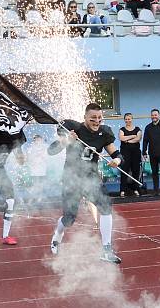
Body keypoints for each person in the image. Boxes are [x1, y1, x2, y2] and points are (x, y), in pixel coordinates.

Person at [49, 103, 123, 264]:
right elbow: (51, 150)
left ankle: (107, 249)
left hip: (91, 178)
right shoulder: (73, 129)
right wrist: (68, 140)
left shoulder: (104, 133)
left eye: (99, 118)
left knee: (105, 207)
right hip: (72, 179)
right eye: (93, 118)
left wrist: (117, 160)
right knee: (69, 219)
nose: (97, 121)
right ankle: (56, 236)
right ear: (84, 118)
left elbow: (116, 153)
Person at [142, 108, 160, 196]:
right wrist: (144, 152)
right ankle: (156, 190)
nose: (154, 116)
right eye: (152, 115)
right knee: (154, 173)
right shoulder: (148, 127)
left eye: (155, 115)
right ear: (151, 116)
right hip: (152, 153)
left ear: (158, 115)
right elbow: (145, 141)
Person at [118, 113, 142, 197]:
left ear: (132, 119)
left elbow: (138, 138)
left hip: (136, 153)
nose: (128, 120)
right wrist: (132, 136)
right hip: (125, 153)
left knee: (136, 171)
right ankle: (122, 190)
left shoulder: (138, 129)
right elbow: (121, 138)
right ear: (124, 120)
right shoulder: (122, 129)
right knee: (124, 171)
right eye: (126, 119)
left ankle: (135, 189)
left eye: (129, 119)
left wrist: (127, 140)